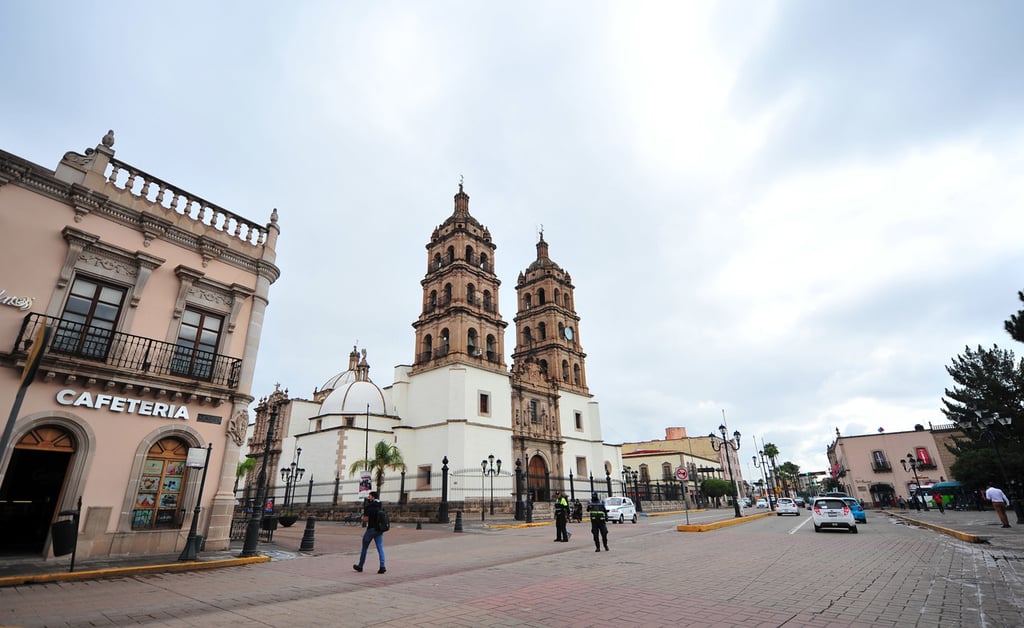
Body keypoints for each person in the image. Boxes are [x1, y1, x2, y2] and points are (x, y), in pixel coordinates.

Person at [353, 491, 387, 573]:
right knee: (380, 547)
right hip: (379, 529)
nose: (368, 497)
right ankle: (382, 566)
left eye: (370, 496)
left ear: (373, 497)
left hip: (371, 529)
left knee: (364, 547)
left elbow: (366, 519)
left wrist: (363, 517)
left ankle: (360, 566)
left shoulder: (369, 507)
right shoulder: (380, 506)